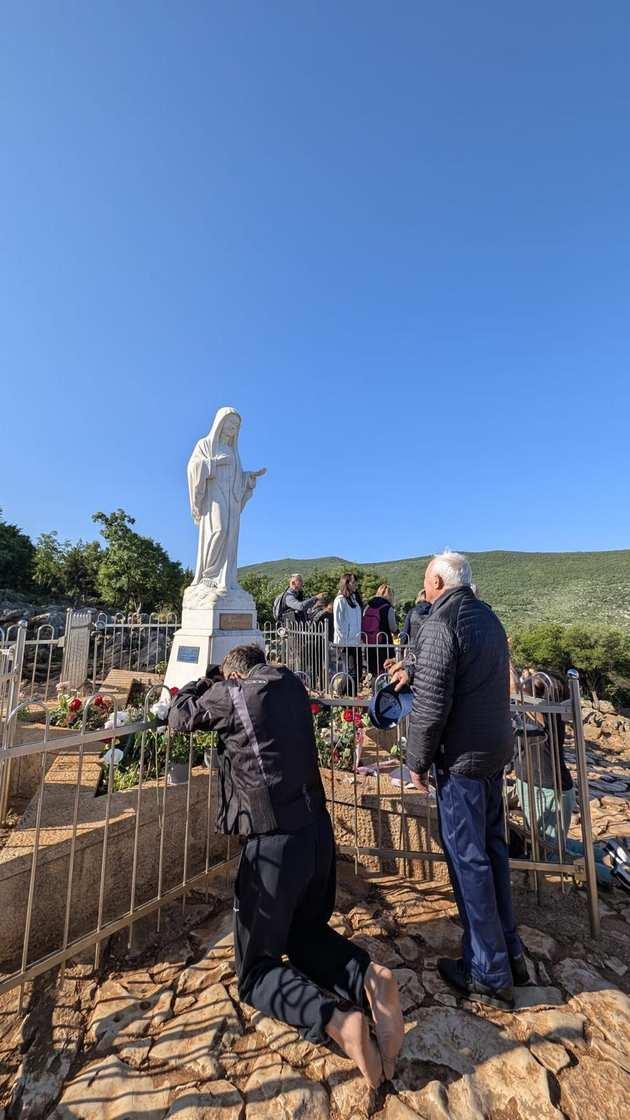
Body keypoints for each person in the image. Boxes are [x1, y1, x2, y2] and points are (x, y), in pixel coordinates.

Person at [168, 644, 403, 1086]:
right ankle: (371, 979)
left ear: (233, 675)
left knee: (255, 970)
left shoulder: (233, 694)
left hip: (273, 846)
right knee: (304, 935)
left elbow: (180, 715)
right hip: (317, 835)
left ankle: (336, 1020)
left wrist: (205, 681)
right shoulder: (290, 684)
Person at [387, 551, 527, 1009]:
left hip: (462, 761)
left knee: (469, 861)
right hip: (493, 753)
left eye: (427, 582)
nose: (425, 589)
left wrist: (416, 761)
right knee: (493, 851)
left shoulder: (439, 623)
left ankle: (487, 969)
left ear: (438, 583)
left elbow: (431, 706)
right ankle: (512, 952)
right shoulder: (489, 619)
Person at [333, 573, 363, 692]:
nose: (356, 584)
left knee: (358, 671)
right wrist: (341, 642)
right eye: (353, 582)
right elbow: (338, 623)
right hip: (346, 642)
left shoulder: (354, 599)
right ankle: (346, 695)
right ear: (347, 583)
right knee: (352, 671)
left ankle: (345, 693)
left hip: (355, 641)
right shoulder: (340, 600)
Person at [363, 584, 398, 678]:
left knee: (373, 672)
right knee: (385, 671)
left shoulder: (368, 606)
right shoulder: (388, 608)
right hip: (384, 644)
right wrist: (397, 633)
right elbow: (393, 627)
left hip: (369, 643)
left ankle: (374, 686)